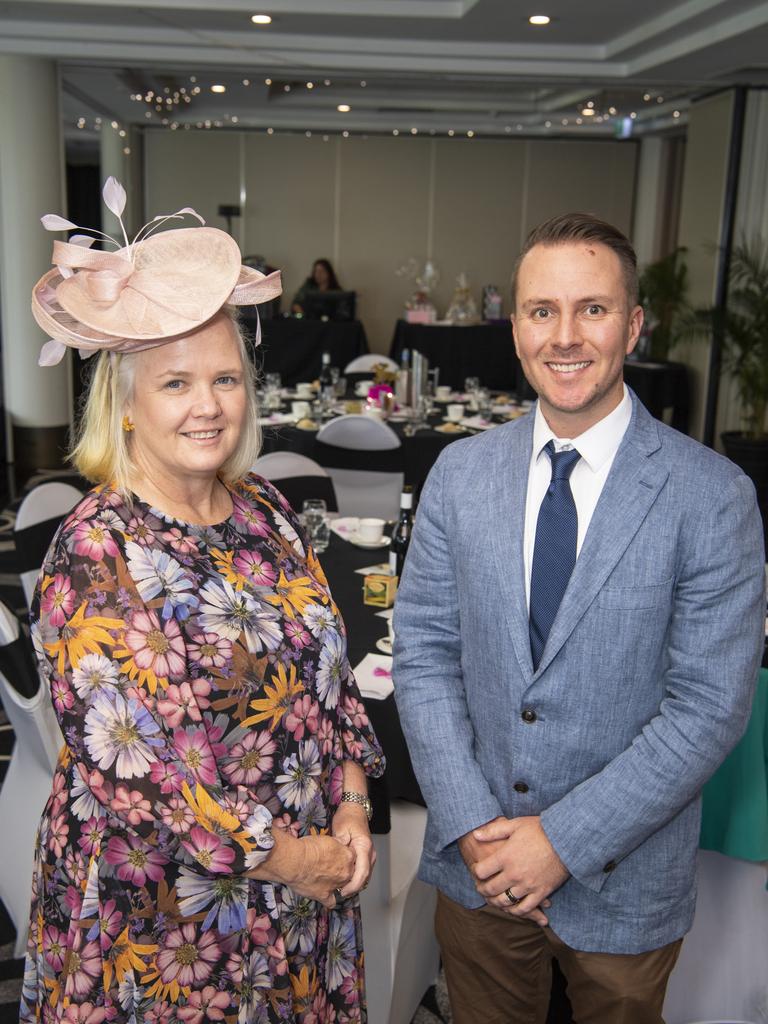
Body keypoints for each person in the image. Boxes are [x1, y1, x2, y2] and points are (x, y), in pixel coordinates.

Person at [21, 179, 384, 1023]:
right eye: (177, 384)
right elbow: (140, 777)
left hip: (302, 907)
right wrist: (299, 859)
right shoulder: (96, 548)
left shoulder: (265, 509)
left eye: (225, 379)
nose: (209, 405)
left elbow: (328, 687)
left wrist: (355, 809)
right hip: (164, 928)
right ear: (128, 407)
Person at [393, 212, 765, 1024]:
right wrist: (477, 829)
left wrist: (559, 842)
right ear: (516, 325)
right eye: (541, 311)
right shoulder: (459, 475)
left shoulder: (713, 497)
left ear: (633, 325)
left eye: (592, 309)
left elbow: (708, 708)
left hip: (627, 882)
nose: (565, 336)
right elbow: (421, 654)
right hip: (478, 870)